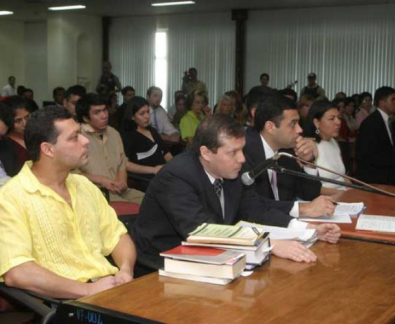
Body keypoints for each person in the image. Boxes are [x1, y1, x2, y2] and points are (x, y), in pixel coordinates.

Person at [133, 115, 341, 271]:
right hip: (163, 262)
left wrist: (307, 229)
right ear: (206, 153)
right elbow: (202, 231)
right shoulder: (177, 176)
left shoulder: (232, 169)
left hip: (216, 256)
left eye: (242, 149)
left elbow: (255, 209)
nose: (242, 159)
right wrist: (267, 244)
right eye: (233, 152)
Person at [0, 106, 136, 298]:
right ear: (48, 149)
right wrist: (89, 290)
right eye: (74, 137)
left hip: (108, 287)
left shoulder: (84, 185)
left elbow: (118, 237)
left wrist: (125, 270)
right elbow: (17, 272)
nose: (85, 142)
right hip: (66, 301)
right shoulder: (10, 199)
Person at [243, 95, 334, 205]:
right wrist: (301, 210)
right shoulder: (244, 152)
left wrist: (308, 163)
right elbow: (254, 206)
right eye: (293, 124)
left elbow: (310, 194)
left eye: (299, 123)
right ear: (270, 127)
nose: (300, 129)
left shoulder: (286, 152)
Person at [76, 93, 144, 204]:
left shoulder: (113, 133)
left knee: (153, 203)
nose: (104, 116)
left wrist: (122, 181)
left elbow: (122, 162)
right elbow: (73, 174)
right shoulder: (76, 136)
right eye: (97, 112)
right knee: (130, 209)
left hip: (120, 189)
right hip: (96, 192)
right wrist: (102, 181)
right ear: (85, 118)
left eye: (105, 110)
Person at [356, 86, 395, 185]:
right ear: (382, 102)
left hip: (388, 168)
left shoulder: (390, 121)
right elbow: (369, 154)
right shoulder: (371, 123)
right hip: (376, 173)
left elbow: (394, 149)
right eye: (393, 100)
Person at [121, 96, 173, 191]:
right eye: (142, 114)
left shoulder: (152, 130)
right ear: (132, 116)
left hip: (165, 174)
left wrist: (173, 167)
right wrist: (153, 170)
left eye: (148, 112)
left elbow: (166, 154)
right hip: (146, 180)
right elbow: (126, 164)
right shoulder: (128, 136)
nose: (147, 116)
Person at [306, 101, 347, 192]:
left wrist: (356, 193)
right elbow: (311, 188)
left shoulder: (334, 142)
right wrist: (344, 195)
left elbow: (343, 178)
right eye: (332, 119)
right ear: (316, 122)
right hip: (326, 200)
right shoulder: (309, 145)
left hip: (343, 195)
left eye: (339, 118)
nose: (338, 122)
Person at [2, 96, 31, 168]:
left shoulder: (36, 135)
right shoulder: (5, 144)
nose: (25, 123)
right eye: (18, 120)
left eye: (27, 117)